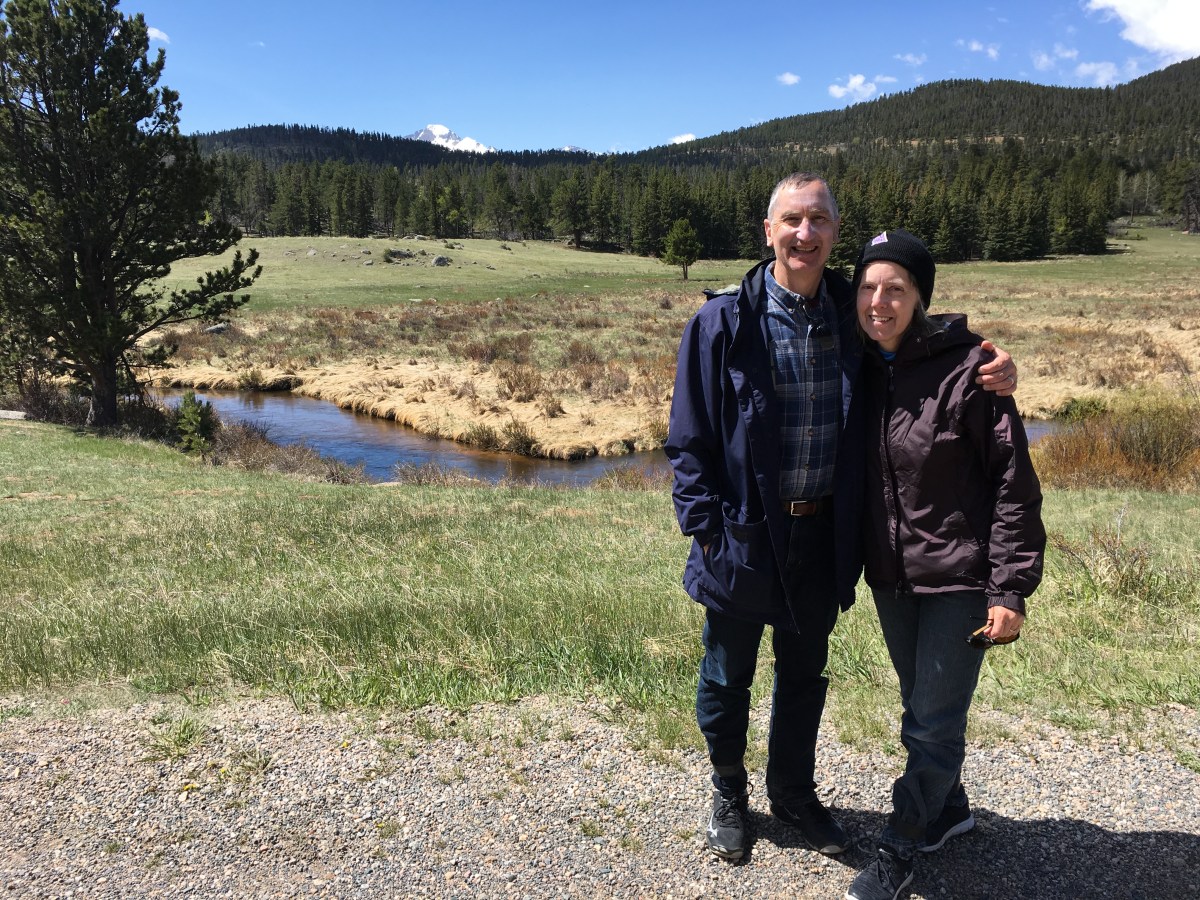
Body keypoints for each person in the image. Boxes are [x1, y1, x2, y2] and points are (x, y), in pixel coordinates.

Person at [664, 174, 1019, 863]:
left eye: (820, 220)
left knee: (805, 674)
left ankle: (793, 792)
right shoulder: (722, 322)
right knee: (726, 673)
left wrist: (992, 361)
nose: (806, 234)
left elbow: (921, 340)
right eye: (792, 220)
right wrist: (704, 527)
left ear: (834, 232)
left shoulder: (851, 312)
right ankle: (728, 789)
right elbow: (688, 436)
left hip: (824, 532)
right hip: (741, 532)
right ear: (769, 231)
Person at [844, 230, 1045, 900]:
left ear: (920, 297)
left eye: (895, 288)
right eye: (868, 288)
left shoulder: (971, 370)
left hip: (960, 576)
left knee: (929, 720)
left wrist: (1009, 589)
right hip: (892, 576)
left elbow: (1013, 482)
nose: (879, 301)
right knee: (923, 705)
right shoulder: (855, 364)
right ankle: (950, 808)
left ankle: (900, 844)